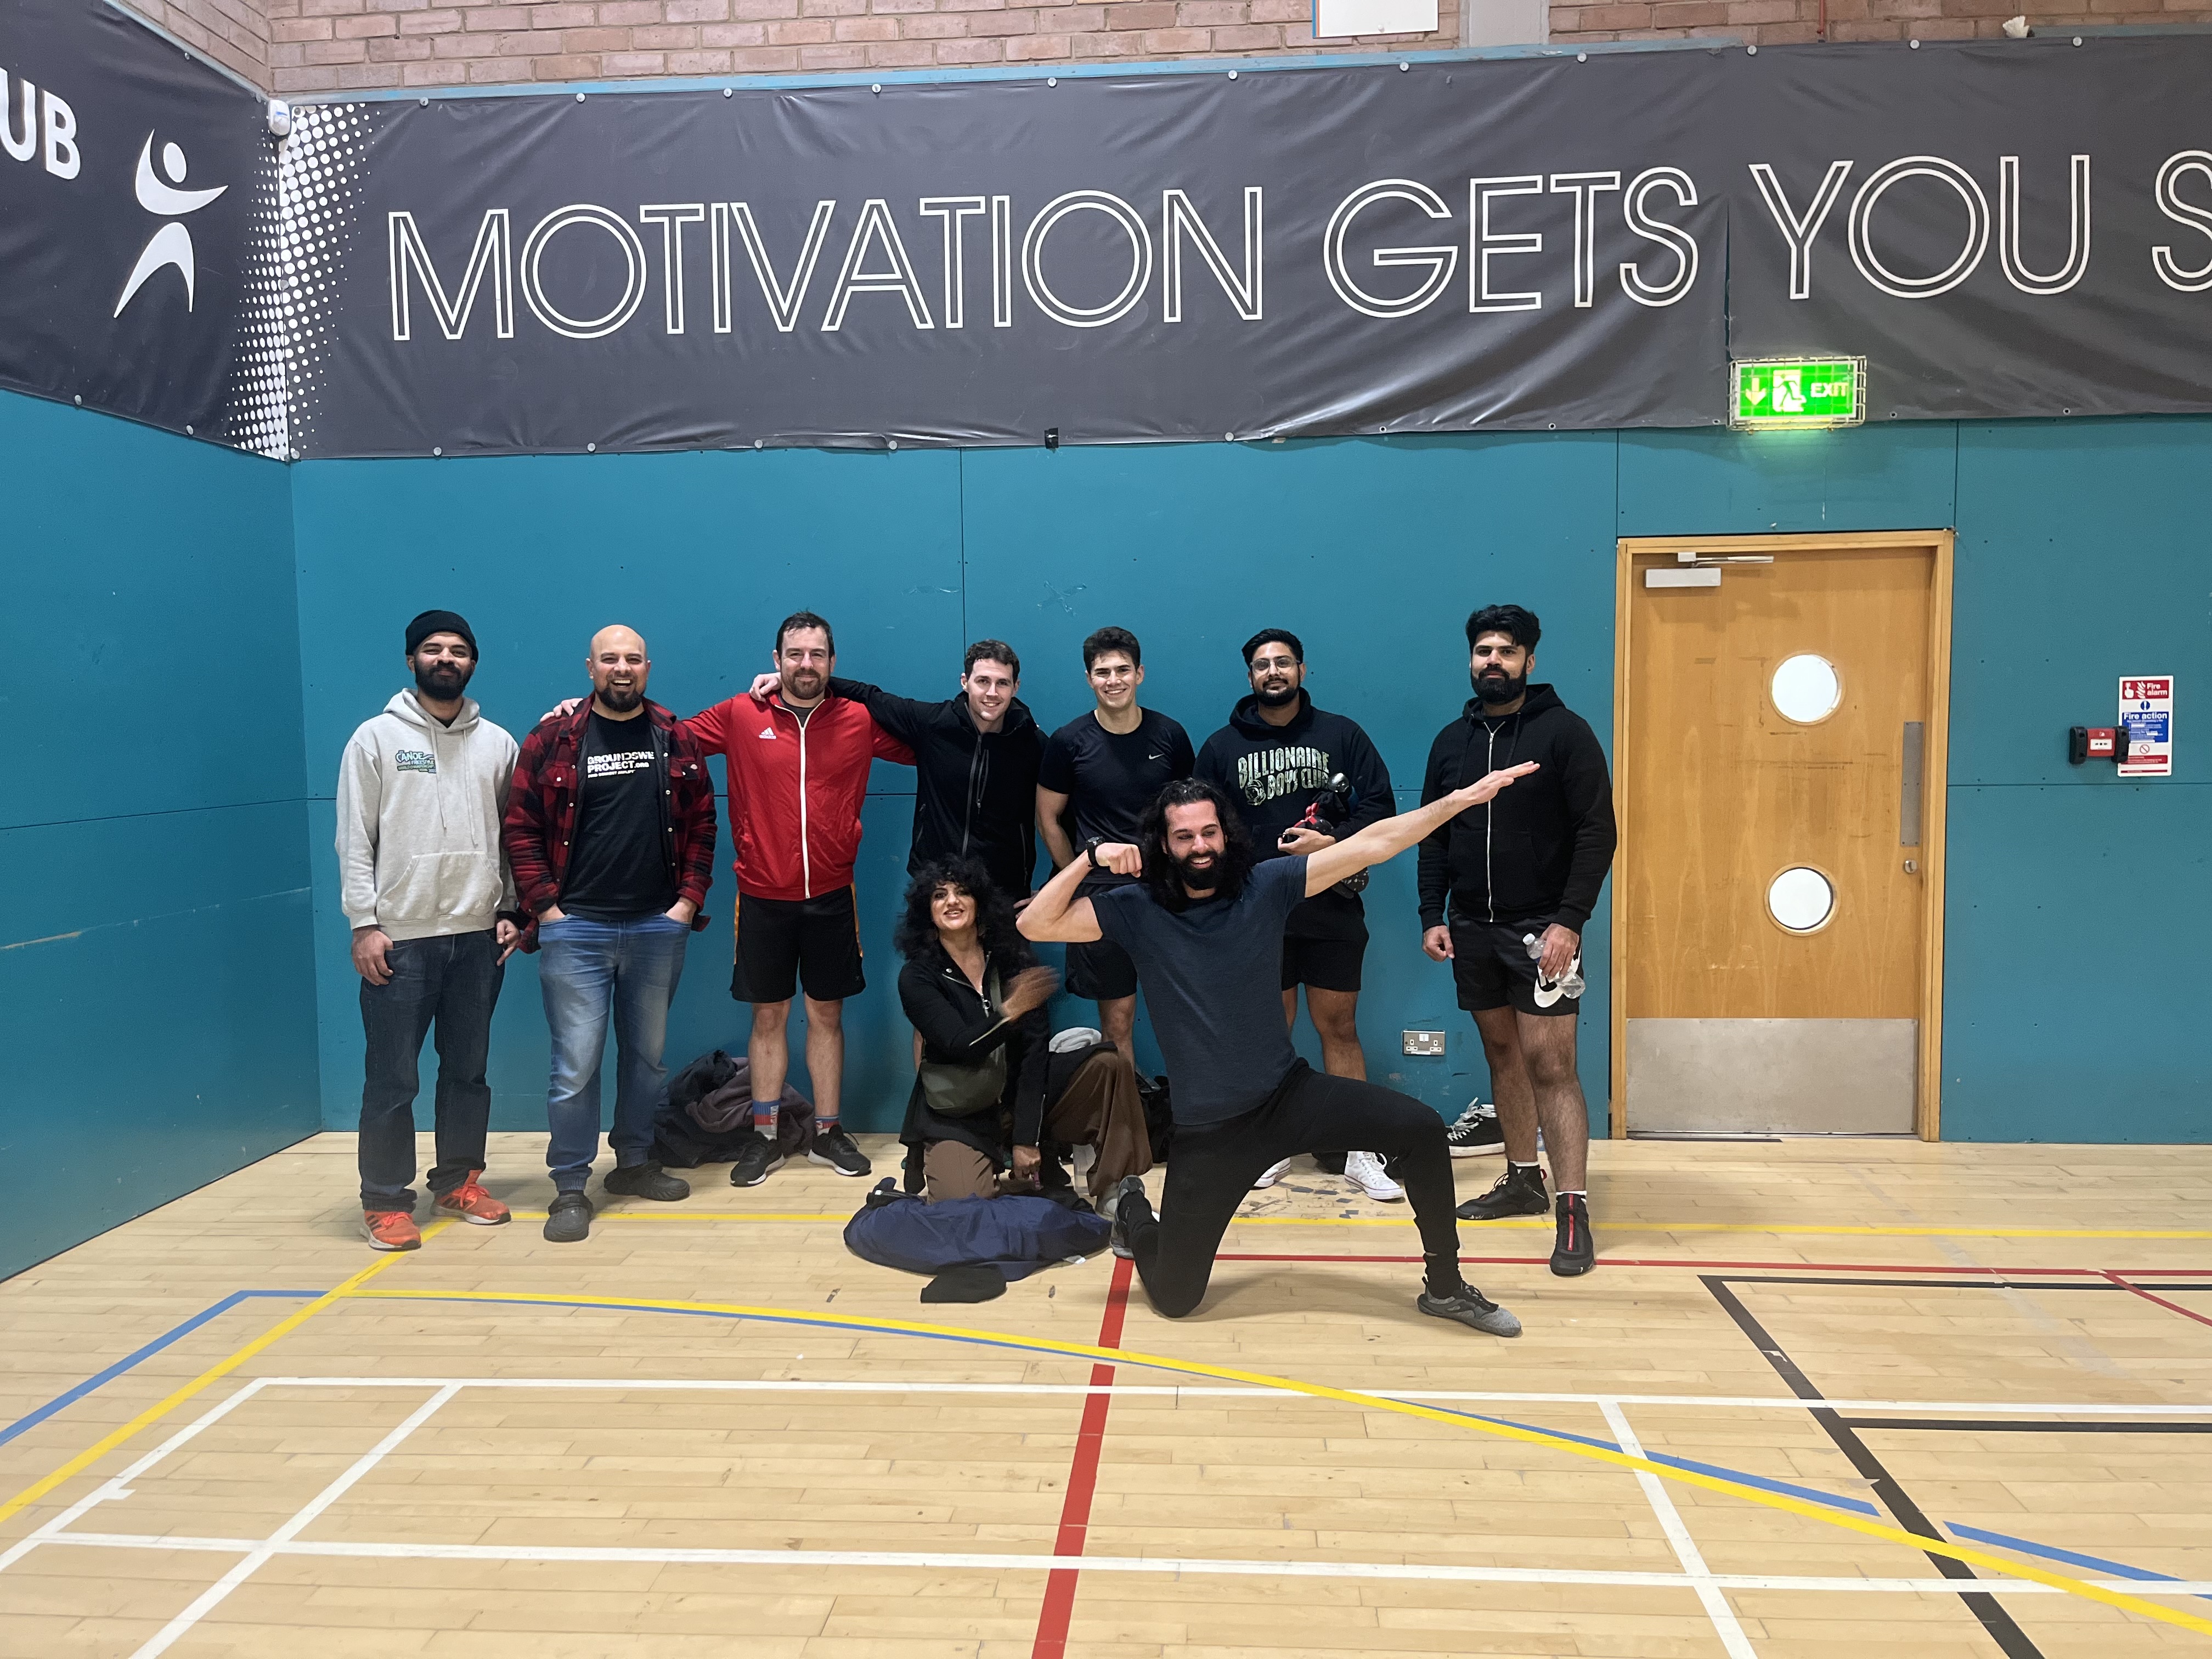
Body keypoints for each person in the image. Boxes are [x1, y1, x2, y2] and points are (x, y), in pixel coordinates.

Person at [1019, 773, 1537, 1333]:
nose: (1200, 846)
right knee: (1175, 1297)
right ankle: (1134, 1211)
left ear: (1226, 834)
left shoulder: (1266, 885)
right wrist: (1090, 857)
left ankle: (1445, 1288)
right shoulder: (1135, 908)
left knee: (1422, 1128)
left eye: (1209, 832)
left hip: (1289, 1097)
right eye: (1184, 837)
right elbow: (1034, 923)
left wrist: (1457, 801)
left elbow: (1376, 843)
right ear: (1163, 845)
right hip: (1210, 1132)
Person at [1419, 604, 1618, 1277]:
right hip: (1471, 926)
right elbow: (1434, 831)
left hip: (1544, 928)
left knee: (1551, 1065)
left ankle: (1572, 1206)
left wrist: (1570, 920)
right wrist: (1433, 913)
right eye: (1484, 651)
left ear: (1530, 660)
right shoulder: (1451, 741)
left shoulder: (1565, 733)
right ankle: (1522, 1178)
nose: (1493, 661)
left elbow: (1597, 832)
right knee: (1503, 1053)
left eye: (1506, 651)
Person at [504, 625, 718, 1243]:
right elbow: (520, 827)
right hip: (576, 930)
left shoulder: (675, 735)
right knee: (575, 1066)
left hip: (657, 927)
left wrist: (686, 904)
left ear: (648, 666)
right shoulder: (552, 738)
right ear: (590, 667)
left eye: (632, 659)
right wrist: (546, 910)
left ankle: (634, 1163)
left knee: (647, 1060)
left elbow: (704, 822)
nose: (621, 668)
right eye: (609, 659)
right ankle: (571, 1185)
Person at [695, 611, 912, 1186]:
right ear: (777, 659)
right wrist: (581, 713)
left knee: (826, 1014)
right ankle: (765, 1137)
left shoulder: (858, 719)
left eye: (817, 654)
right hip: (762, 894)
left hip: (832, 894)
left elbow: (933, 743)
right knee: (768, 1016)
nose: (806, 664)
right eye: (795, 654)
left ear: (833, 662)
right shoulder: (741, 715)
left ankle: (828, 1132)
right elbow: (668, 738)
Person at [337, 610, 523, 1251]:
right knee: (393, 1079)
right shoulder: (375, 739)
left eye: (459, 650)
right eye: (434, 649)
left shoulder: (498, 744)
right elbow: (354, 839)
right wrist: (364, 924)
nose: (446, 658)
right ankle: (386, 1201)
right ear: (411, 660)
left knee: (468, 1072)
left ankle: (458, 1183)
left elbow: (512, 838)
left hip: (478, 937)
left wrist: (511, 909)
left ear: (473, 663)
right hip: (400, 939)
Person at [1194, 629, 1401, 1202]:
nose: (1273, 672)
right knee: (1269, 1033)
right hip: (1257, 913)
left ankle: (1359, 1150)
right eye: (1262, 665)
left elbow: (1382, 810)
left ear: (1302, 670)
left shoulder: (1342, 734)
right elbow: (1200, 828)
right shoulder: (1221, 747)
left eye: (1283, 662)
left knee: (1340, 1028)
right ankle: (1270, 1144)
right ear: (1250, 677)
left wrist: (1331, 842)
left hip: (1332, 906)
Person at [895, 857, 1152, 1208]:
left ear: (979, 904)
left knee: (1109, 1064)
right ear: (927, 911)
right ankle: (1009, 1180)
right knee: (962, 1207)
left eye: (963, 892)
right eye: (940, 895)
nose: (952, 901)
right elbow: (960, 1046)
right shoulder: (917, 977)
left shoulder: (1012, 960)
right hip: (961, 1114)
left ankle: (1117, 1190)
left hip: (1018, 1099)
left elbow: (1035, 1052)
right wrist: (1011, 1011)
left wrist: (1026, 1138)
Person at [751, 639, 1043, 900]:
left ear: (1016, 687)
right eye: (983, 681)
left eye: (1002, 683)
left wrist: (1054, 886)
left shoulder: (1034, 744)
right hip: (936, 886)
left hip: (1004, 892)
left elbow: (1058, 815)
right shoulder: (932, 725)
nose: (992, 693)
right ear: (965, 682)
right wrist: (791, 680)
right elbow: (868, 696)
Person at [1035, 627, 1193, 1064]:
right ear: (1089, 679)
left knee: (1183, 1013)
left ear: (1139, 674)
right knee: (1118, 1022)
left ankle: (1190, 1104)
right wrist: (1077, 877)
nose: (1113, 680)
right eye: (1102, 672)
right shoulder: (1069, 742)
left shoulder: (1170, 735)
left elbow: (1191, 816)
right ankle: (1125, 1109)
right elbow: (1048, 819)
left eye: (1123, 670)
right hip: (1103, 901)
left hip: (1166, 895)